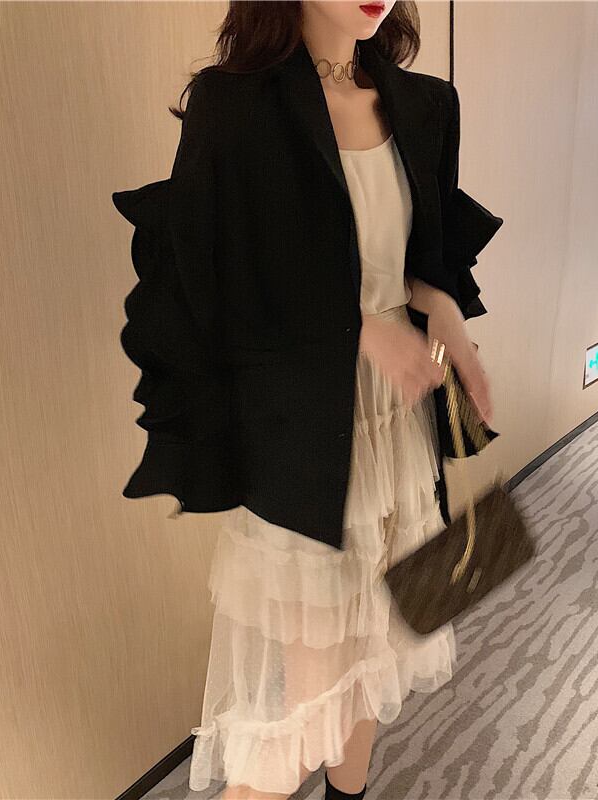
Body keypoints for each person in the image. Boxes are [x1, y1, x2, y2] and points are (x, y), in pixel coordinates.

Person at [115, 2, 498, 798]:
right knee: (310, 701)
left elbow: (415, 260)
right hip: (305, 439)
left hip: (398, 426)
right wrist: (357, 327)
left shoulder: (425, 103)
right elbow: (211, 283)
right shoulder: (235, 105)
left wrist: (446, 313)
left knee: (376, 656)